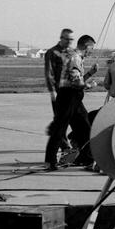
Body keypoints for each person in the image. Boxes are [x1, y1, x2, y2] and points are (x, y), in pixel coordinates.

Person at [44, 35, 98, 171]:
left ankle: (84, 158)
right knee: (60, 129)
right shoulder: (75, 58)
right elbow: (76, 82)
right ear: (86, 46)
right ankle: (50, 161)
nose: (91, 52)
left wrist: (90, 73)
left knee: (84, 128)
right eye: (91, 48)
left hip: (74, 98)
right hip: (69, 98)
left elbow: (77, 79)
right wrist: (90, 85)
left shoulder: (75, 57)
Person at [43, 27, 74, 158]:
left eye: (71, 39)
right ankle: (65, 146)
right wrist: (52, 91)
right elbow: (49, 73)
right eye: (67, 39)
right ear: (61, 38)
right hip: (58, 92)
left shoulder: (72, 53)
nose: (69, 42)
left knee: (69, 119)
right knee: (60, 121)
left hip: (71, 92)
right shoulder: (52, 52)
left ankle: (67, 141)